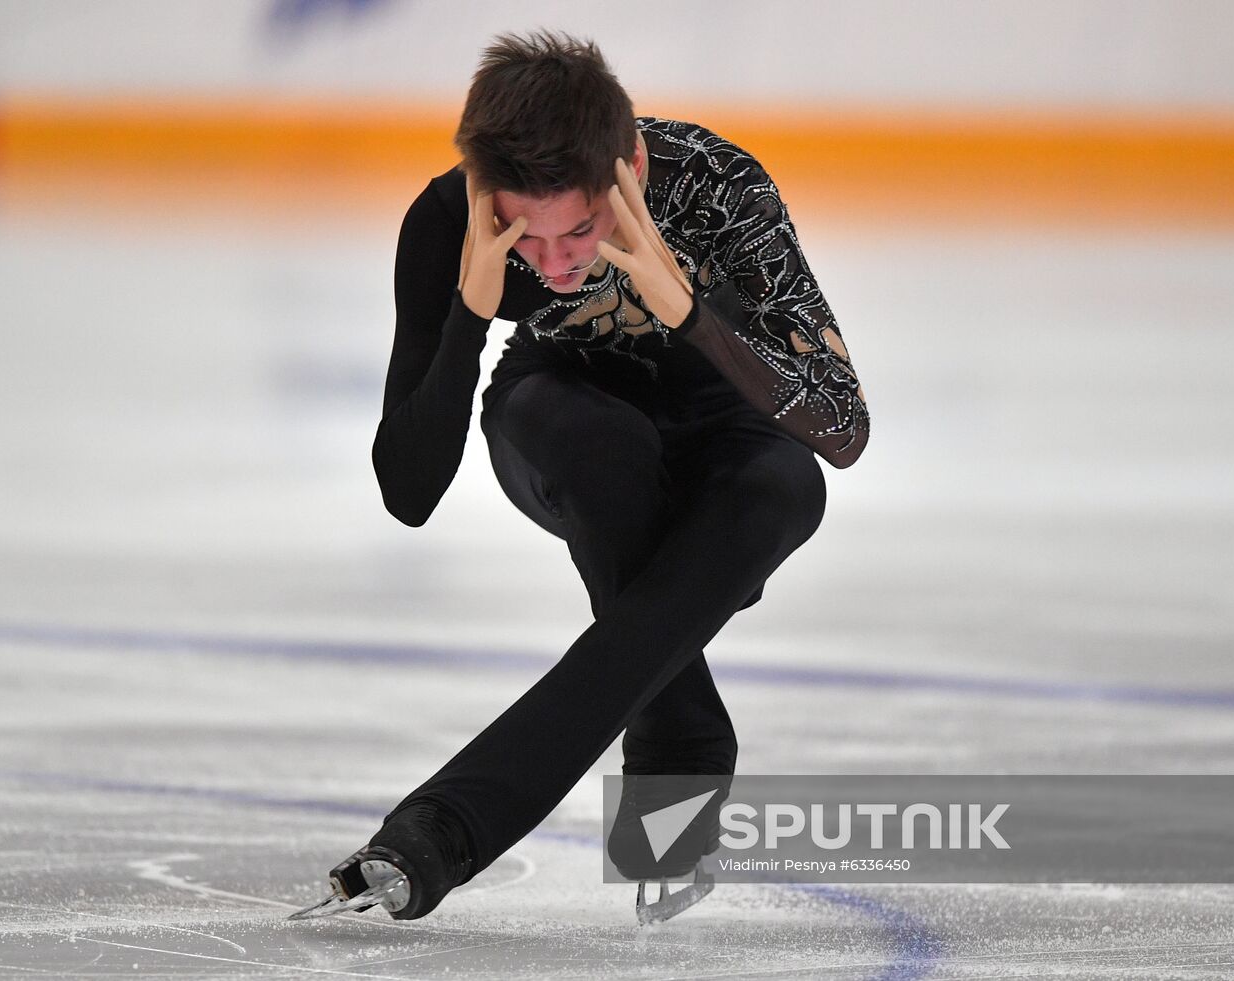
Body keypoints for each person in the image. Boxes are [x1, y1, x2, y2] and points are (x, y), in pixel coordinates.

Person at [297, 29, 869, 923]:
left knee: (788, 487)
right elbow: (407, 494)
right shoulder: (451, 222)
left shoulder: (713, 186)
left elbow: (841, 425)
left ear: (631, 166)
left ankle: (479, 812)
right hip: (563, 418)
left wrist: (685, 308)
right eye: (529, 234)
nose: (557, 261)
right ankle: (640, 762)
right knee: (606, 458)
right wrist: (472, 311)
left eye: (582, 229)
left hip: (721, 420)